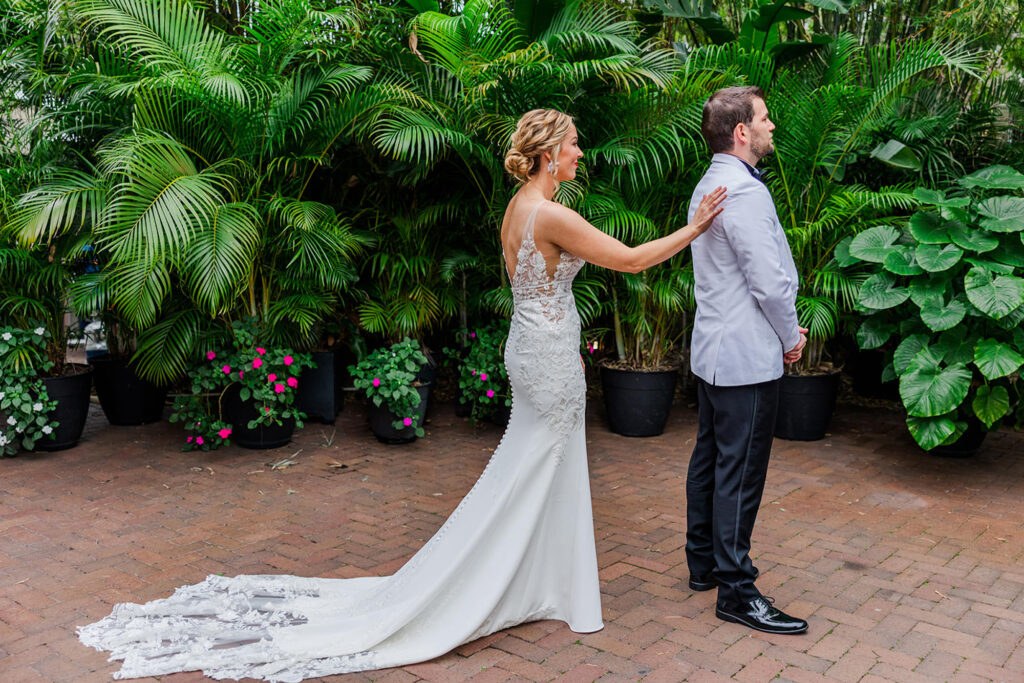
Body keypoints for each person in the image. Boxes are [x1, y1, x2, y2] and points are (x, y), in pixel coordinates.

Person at [77, 109, 725, 681]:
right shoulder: (551, 211)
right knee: (533, 466)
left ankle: (544, 582)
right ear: (551, 151)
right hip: (548, 355)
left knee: (529, 467)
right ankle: (512, 585)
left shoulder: (518, 208)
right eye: (576, 144)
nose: (582, 153)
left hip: (529, 344)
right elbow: (635, 260)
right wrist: (696, 227)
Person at [684, 86, 809, 635]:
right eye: (764, 118)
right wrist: (790, 337)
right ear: (741, 132)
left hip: (712, 350)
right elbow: (770, 283)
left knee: (710, 457)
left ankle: (703, 563)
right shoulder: (746, 192)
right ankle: (736, 590)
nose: (772, 126)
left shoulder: (709, 183)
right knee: (740, 471)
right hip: (747, 355)